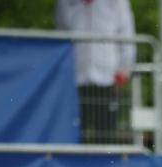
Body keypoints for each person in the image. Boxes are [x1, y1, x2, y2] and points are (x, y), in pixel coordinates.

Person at [55, 0, 136, 144]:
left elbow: (127, 36)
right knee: (75, 135)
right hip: (75, 79)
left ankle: (106, 166)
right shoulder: (65, 2)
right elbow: (60, 34)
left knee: (106, 136)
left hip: (107, 78)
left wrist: (123, 72)